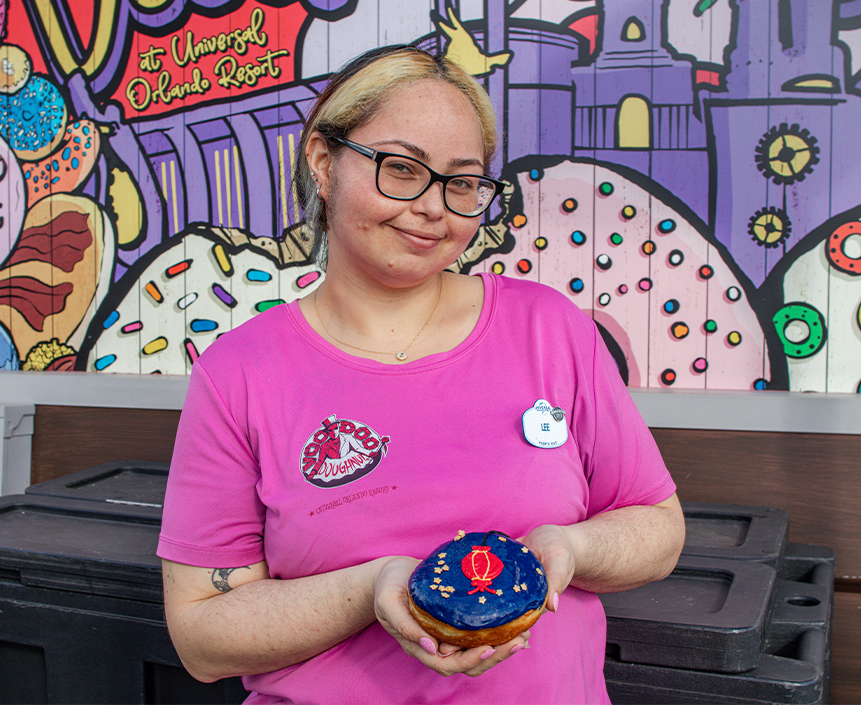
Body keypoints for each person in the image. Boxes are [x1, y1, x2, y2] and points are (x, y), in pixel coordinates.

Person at [158, 45, 685, 704]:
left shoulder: (550, 330)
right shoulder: (238, 373)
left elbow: (659, 529)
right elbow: (202, 636)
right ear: (324, 162)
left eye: (462, 183)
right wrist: (371, 587)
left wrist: (570, 546)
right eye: (401, 169)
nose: (434, 207)